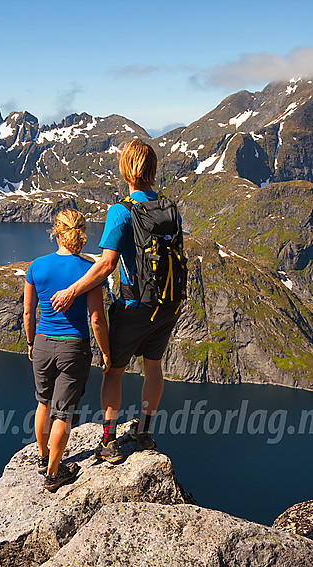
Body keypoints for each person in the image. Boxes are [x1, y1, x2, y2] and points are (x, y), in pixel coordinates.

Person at [51, 139, 182, 463]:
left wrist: (72, 291)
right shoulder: (169, 206)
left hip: (134, 306)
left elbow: (107, 264)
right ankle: (145, 431)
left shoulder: (121, 211)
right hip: (167, 304)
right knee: (153, 367)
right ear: (152, 169)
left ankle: (109, 441)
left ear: (126, 169)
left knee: (114, 371)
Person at [24, 209, 111, 492]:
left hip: (42, 343)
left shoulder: (37, 266)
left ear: (57, 233)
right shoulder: (89, 270)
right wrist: (106, 352)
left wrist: (30, 342)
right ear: (82, 235)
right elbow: (96, 318)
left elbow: (28, 313)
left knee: (43, 402)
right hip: (74, 347)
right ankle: (53, 474)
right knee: (63, 412)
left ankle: (43, 457)